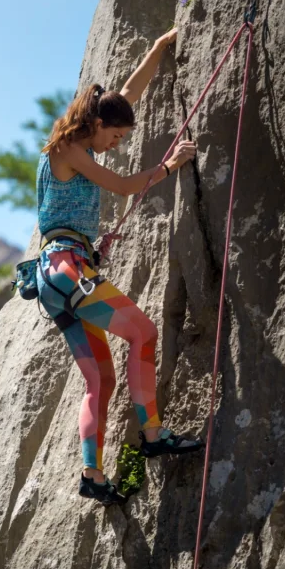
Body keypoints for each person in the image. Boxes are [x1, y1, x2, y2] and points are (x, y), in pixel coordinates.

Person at [35, 28, 204, 507]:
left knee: (101, 381)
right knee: (144, 333)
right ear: (95, 124)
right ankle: (153, 434)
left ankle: (92, 473)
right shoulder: (70, 149)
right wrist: (170, 166)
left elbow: (127, 94)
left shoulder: (76, 143)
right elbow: (127, 185)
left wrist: (158, 48)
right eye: (116, 134)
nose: (118, 142)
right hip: (66, 268)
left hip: (58, 276)